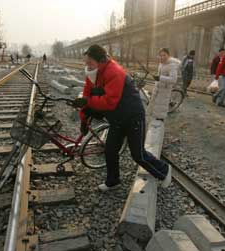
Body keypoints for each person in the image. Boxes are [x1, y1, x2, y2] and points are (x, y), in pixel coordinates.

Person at [72, 44, 171, 191]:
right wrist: (84, 120)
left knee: (138, 155)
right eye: (86, 63)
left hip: (133, 116)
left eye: (90, 63)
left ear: (100, 61)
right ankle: (113, 181)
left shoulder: (114, 72)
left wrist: (87, 102)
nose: (87, 66)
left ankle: (164, 171)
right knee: (110, 150)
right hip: (116, 118)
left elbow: (109, 102)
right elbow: (87, 96)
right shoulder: (92, 74)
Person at [147, 48, 181, 120]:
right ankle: (154, 124)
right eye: (160, 55)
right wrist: (157, 77)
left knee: (160, 112)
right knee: (153, 109)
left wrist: (160, 78)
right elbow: (161, 75)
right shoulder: (161, 63)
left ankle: (159, 125)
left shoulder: (172, 65)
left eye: (164, 55)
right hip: (157, 89)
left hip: (164, 91)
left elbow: (174, 79)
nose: (162, 57)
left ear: (168, 55)